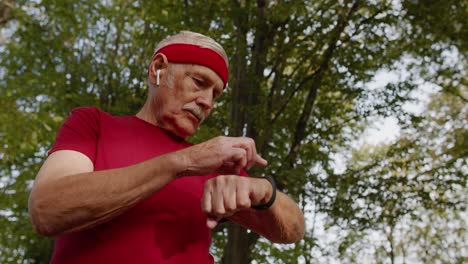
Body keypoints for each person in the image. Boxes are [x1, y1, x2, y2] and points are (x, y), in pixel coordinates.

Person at [28, 31, 305, 263]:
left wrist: (263, 191)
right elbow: (47, 210)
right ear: (158, 69)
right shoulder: (94, 124)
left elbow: (292, 230)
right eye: (199, 82)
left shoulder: (212, 165)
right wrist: (180, 163)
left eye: (215, 94)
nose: (207, 102)